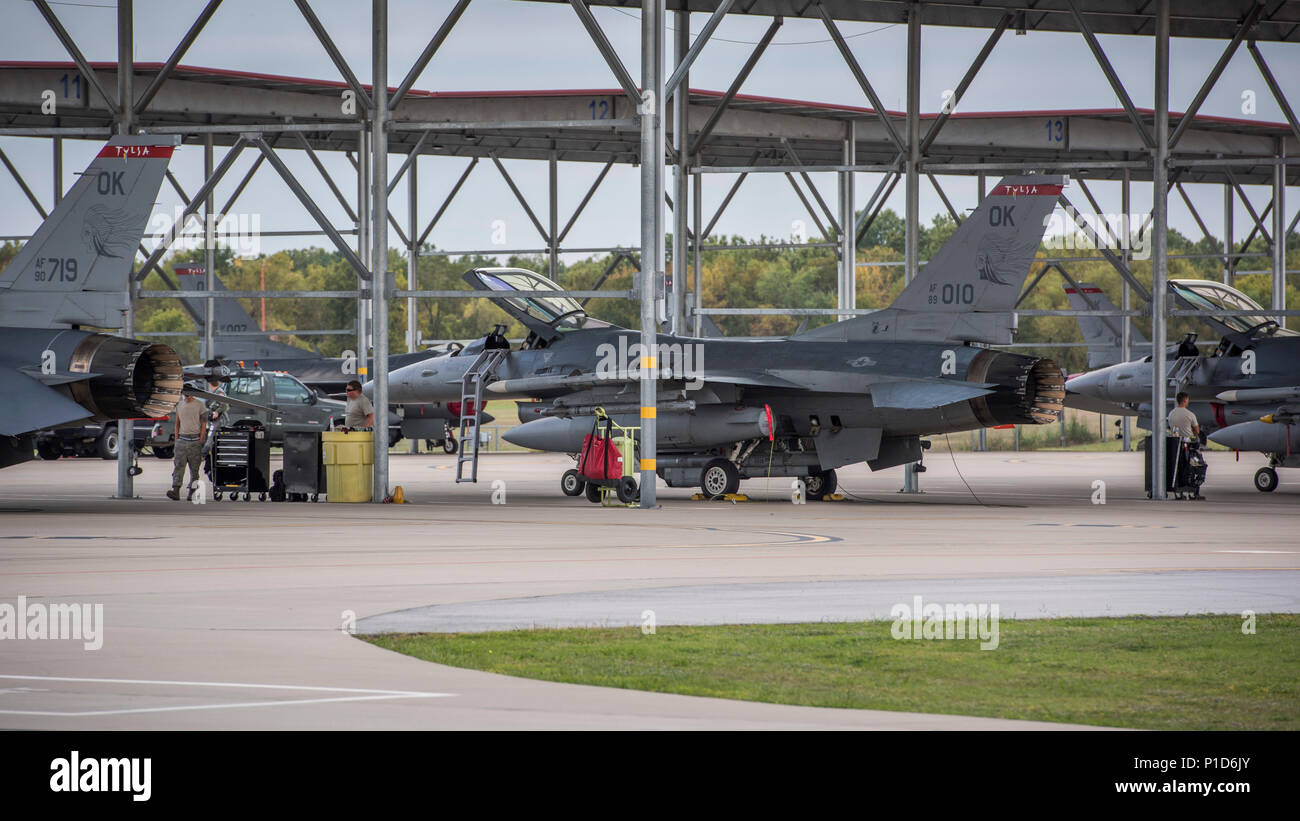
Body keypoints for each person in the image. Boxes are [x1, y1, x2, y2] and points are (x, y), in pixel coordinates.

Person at [167, 388, 207, 501]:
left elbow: (204, 424)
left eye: (189, 395)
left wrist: (201, 440)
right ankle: (175, 490)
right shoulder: (179, 405)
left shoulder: (200, 405)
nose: (187, 397)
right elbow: (177, 423)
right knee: (178, 466)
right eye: (185, 395)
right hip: (182, 440)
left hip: (194, 440)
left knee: (194, 469)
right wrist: (177, 439)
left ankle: (192, 492)